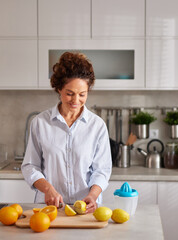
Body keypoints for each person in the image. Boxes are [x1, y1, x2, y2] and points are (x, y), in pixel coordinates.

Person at [21, 52, 112, 213]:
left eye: (82, 94)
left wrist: (93, 194)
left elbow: (102, 170)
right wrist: (47, 189)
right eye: (69, 93)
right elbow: (30, 166)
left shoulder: (97, 126)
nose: (76, 100)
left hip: (86, 209)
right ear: (59, 89)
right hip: (49, 208)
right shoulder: (40, 123)